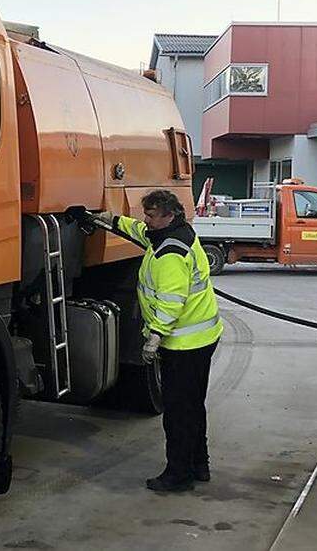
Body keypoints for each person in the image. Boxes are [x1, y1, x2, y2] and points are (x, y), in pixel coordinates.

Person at [92, 190, 224, 492]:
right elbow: (139, 231)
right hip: (201, 338)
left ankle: (178, 474)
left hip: (184, 344)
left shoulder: (170, 254)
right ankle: (199, 464)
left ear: (168, 215)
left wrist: (155, 336)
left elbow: (171, 301)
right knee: (193, 406)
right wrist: (111, 221)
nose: (146, 220)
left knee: (177, 412)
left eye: (151, 215)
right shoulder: (174, 233)